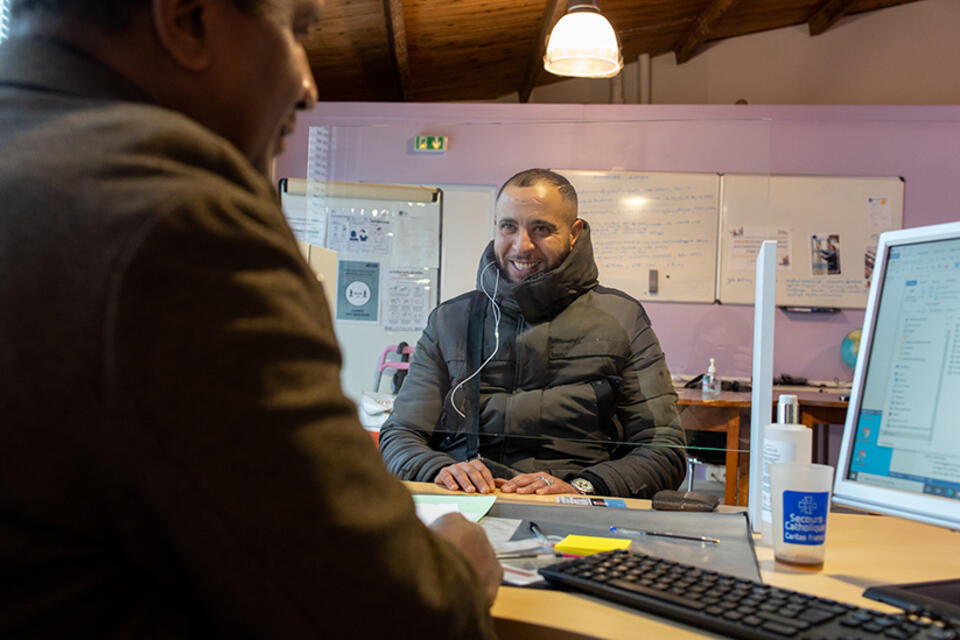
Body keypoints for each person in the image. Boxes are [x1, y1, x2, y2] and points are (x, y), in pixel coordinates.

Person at [0, 1, 499, 636]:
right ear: (185, 19)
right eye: (296, 31)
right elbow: (388, 609)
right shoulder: (180, 226)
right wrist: (462, 561)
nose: (310, 87)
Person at [379, 169, 687, 498]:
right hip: (465, 506)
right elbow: (400, 435)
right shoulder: (450, 320)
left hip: (573, 509)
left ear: (574, 232)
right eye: (508, 226)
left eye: (541, 228)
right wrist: (439, 469)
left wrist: (582, 487)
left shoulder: (622, 318)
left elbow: (664, 451)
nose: (521, 245)